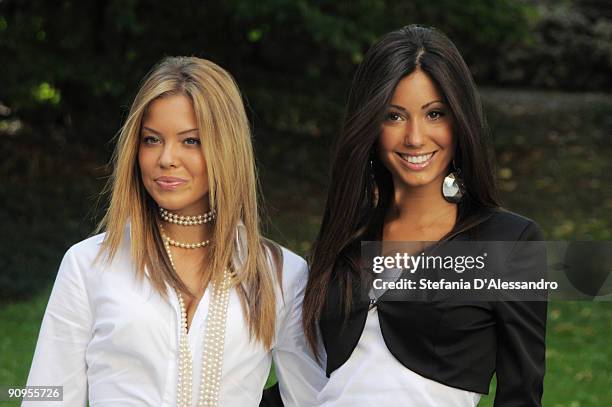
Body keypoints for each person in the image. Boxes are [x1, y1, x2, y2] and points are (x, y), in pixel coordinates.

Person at [24, 56, 325, 407]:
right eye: (151, 140)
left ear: (227, 148)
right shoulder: (87, 264)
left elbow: (311, 398)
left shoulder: (281, 274)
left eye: (191, 141)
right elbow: (47, 395)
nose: (166, 158)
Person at [302, 25, 548, 406]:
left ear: (460, 120)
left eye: (435, 114)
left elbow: (522, 392)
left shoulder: (509, 242)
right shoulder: (345, 238)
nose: (415, 137)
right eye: (393, 116)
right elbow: (303, 378)